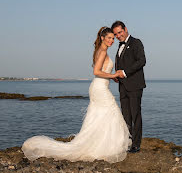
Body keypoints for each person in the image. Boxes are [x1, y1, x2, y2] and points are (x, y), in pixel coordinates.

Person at [22, 27, 131, 162]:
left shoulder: (100, 51)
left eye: (113, 38)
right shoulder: (102, 51)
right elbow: (96, 72)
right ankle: (104, 146)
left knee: (99, 116)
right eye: (109, 38)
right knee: (111, 112)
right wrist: (113, 74)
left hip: (99, 86)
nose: (111, 40)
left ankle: (99, 144)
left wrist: (111, 77)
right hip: (99, 88)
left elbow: (101, 71)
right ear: (102, 38)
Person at [111, 21, 146, 153]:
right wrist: (116, 74)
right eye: (115, 34)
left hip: (135, 84)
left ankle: (136, 144)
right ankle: (128, 142)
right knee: (126, 115)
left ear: (125, 29)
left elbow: (141, 61)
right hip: (122, 86)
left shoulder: (136, 42)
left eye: (120, 32)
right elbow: (121, 63)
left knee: (135, 114)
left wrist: (124, 72)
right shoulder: (119, 46)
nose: (118, 36)